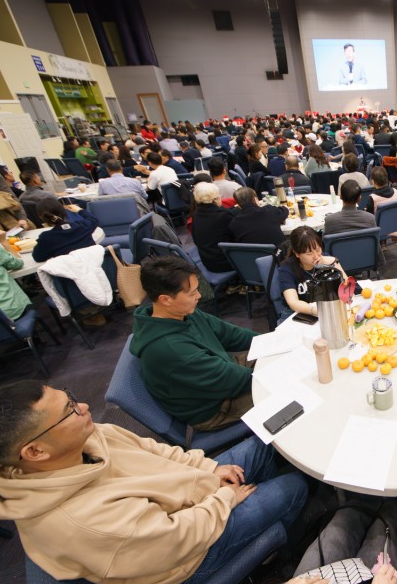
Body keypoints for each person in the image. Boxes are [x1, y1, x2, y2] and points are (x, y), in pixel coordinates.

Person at [0, 380, 306, 584]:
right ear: (35, 452)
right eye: (69, 410)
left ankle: (261, 513)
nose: (84, 406)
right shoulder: (82, 521)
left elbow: (155, 450)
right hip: (187, 555)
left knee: (266, 440)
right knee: (294, 487)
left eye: (70, 398)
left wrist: (209, 467)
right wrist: (224, 499)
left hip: (192, 500)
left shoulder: (84, 436)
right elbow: (174, 539)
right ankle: (275, 559)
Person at [131, 256, 259, 429]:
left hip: (221, 371)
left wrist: (274, 341)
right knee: (288, 390)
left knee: (281, 358)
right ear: (166, 299)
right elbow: (233, 381)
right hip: (215, 407)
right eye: (192, 293)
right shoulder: (170, 349)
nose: (199, 296)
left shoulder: (182, 312)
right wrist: (278, 376)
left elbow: (230, 335)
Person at [278, 226, 347, 318]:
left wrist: (334, 262)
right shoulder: (287, 268)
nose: (316, 256)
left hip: (324, 307)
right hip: (297, 312)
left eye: (318, 249)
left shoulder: (325, 259)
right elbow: (293, 302)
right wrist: (316, 311)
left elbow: (347, 287)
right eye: (309, 253)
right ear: (297, 253)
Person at [31, 198, 100, 263]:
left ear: (41, 217)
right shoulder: (83, 226)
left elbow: (38, 258)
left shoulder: (46, 237)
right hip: (94, 267)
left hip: (70, 271)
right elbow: (93, 219)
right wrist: (80, 210)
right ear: (64, 211)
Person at [190, 183, 236, 273]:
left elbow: (195, 240)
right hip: (225, 263)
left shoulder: (196, 214)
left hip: (207, 261)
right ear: (215, 199)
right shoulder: (224, 215)